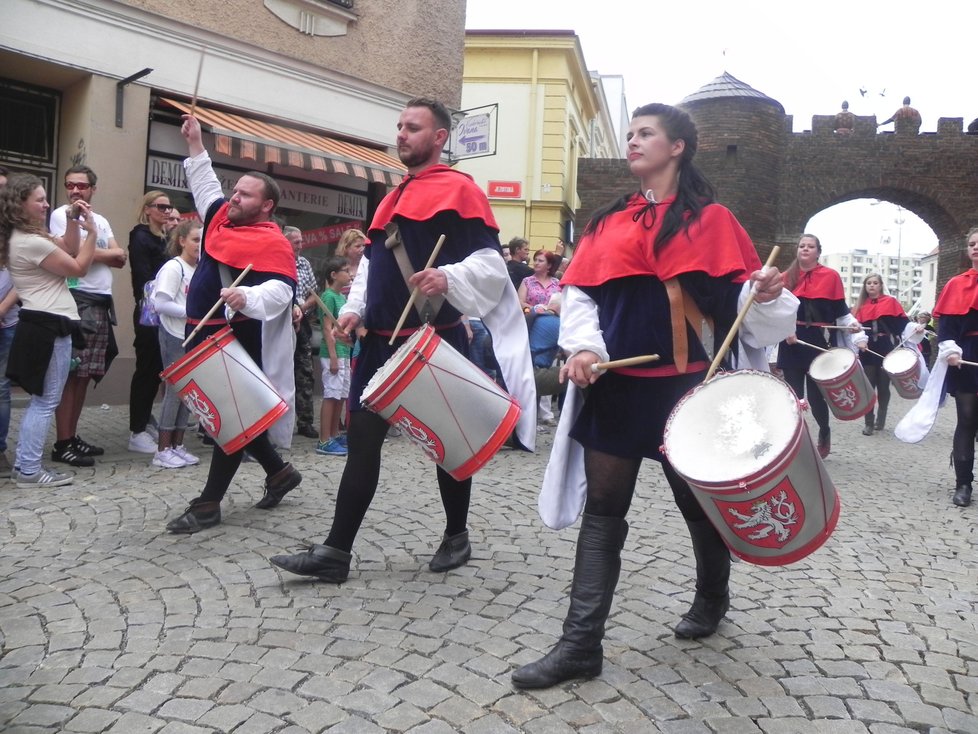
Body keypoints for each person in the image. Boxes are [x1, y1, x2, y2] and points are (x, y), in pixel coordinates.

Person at [509, 103, 798, 690]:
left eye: (647, 134)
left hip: (688, 394)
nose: (634, 142)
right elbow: (583, 298)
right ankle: (580, 645)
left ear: (678, 148)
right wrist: (585, 349)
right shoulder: (609, 221)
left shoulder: (713, 221)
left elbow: (746, 313)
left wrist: (763, 294)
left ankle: (712, 597)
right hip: (617, 391)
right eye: (631, 133)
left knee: (697, 506)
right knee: (603, 513)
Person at [269, 97, 535, 581]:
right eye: (399, 126)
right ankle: (335, 553)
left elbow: (490, 264)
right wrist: (352, 309)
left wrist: (448, 277)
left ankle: (456, 534)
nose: (401, 134)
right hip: (378, 344)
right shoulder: (392, 196)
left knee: (448, 444)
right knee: (363, 443)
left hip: (433, 340)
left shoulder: (461, 191)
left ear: (439, 138)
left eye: (413, 127)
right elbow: (373, 264)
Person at [164, 113, 301, 533]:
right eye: (235, 191)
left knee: (230, 417)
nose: (235, 197)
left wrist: (248, 296)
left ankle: (208, 504)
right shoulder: (221, 217)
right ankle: (279, 473)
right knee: (227, 415)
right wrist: (195, 143)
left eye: (245, 194)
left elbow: (282, 292)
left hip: (234, 336)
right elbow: (205, 183)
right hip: (198, 330)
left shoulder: (273, 242)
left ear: (267, 205)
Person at [0, 173, 97, 487]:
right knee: (45, 401)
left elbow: (69, 246)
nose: (45, 204)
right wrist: (92, 232)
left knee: (42, 400)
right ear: (21, 204)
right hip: (47, 323)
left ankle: (26, 467)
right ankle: (29, 469)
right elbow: (79, 266)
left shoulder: (26, 236)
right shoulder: (28, 241)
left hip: (42, 320)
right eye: (39, 200)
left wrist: (72, 219)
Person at [48, 165, 126, 466]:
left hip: (100, 302)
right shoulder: (61, 215)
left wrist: (91, 250)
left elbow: (120, 257)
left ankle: (72, 436)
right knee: (71, 375)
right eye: (71, 185)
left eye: (82, 186)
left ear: (93, 189)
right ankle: (62, 442)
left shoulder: (100, 221)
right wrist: (98, 252)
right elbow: (71, 253)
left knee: (84, 376)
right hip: (78, 300)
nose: (75, 191)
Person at [776, 234, 866, 458]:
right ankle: (794, 444)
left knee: (817, 397)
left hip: (819, 341)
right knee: (793, 396)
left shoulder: (831, 276)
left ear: (818, 251)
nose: (805, 249)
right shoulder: (786, 277)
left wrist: (853, 325)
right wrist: (786, 329)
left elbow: (841, 312)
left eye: (810, 246)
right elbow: (777, 312)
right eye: (801, 246)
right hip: (792, 341)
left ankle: (824, 432)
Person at [931, 227, 978, 507]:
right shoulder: (956, 284)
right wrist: (949, 350)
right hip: (967, 356)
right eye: (972, 243)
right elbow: (946, 327)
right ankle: (963, 484)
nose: (976, 247)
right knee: (967, 420)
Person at [150, 219, 201, 468]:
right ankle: (162, 449)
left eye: (203, 240)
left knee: (188, 392)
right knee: (175, 390)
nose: (200, 245)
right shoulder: (174, 268)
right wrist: (192, 312)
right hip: (174, 335)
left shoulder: (199, 269)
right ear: (182, 241)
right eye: (195, 240)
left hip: (192, 336)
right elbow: (161, 304)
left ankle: (178, 445)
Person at [127, 190, 172, 453]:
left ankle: (145, 421)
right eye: (161, 207)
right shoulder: (141, 237)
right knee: (146, 370)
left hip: (163, 312)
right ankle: (137, 430)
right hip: (149, 312)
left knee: (156, 371)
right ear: (148, 210)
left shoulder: (165, 238)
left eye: (169, 207)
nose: (166, 211)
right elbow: (143, 278)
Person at [853, 273, 922, 435]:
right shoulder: (860, 306)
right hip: (867, 348)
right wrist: (859, 340)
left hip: (886, 348)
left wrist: (915, 328)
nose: (871, 285)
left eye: (875, 283)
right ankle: (868, 423)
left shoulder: (890, 302)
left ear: (880, 285)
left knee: (883, 386)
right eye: (868, 283)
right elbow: (855, 329)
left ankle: (881, 419)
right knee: (868, 385)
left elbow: (904, 325)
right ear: (865, 286)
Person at [316, 256, 352, 456]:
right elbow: (327, 328)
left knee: (341, 394)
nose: (350, 274)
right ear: (334, 274)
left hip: (343, 351)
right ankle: (323, 440)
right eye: (345, 270)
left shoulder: (342, 297)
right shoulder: (328, 296)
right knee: (331, 395)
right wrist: (332, 357)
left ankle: (334, 434)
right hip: (333, 353)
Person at [285, 225, 319, 439]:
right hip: (281, 321)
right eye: (296, 242)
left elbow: (314, 294)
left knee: (305, 372)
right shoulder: (277, 260)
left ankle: (305, 421)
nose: (300, 245)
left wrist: (302, 308)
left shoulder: (304, 263)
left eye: (301, 241)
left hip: (302, 321)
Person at [0, 165, 16, 475]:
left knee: (1, 388)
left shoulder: (19, 229)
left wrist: (2, 308)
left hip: (9, 317)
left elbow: (26, 276)